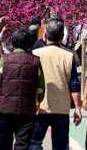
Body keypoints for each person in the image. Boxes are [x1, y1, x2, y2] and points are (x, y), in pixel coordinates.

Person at [0, 27, 45, 150]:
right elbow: (41, 87)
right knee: (23, 144)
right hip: (27, 110)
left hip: (5, 109)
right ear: (30, 43)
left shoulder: (5, 60)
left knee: (5, 143)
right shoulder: (35, 62)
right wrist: (38, 101)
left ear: (13, 42)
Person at [30, 17, 82, 150]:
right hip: (62, 107)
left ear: (45, 35)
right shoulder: (69, 56)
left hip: (40, 106)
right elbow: (74, 84)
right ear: (62, 37)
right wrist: (77, 108)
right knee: (60, 146)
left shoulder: (35, 54)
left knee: (35, 142)